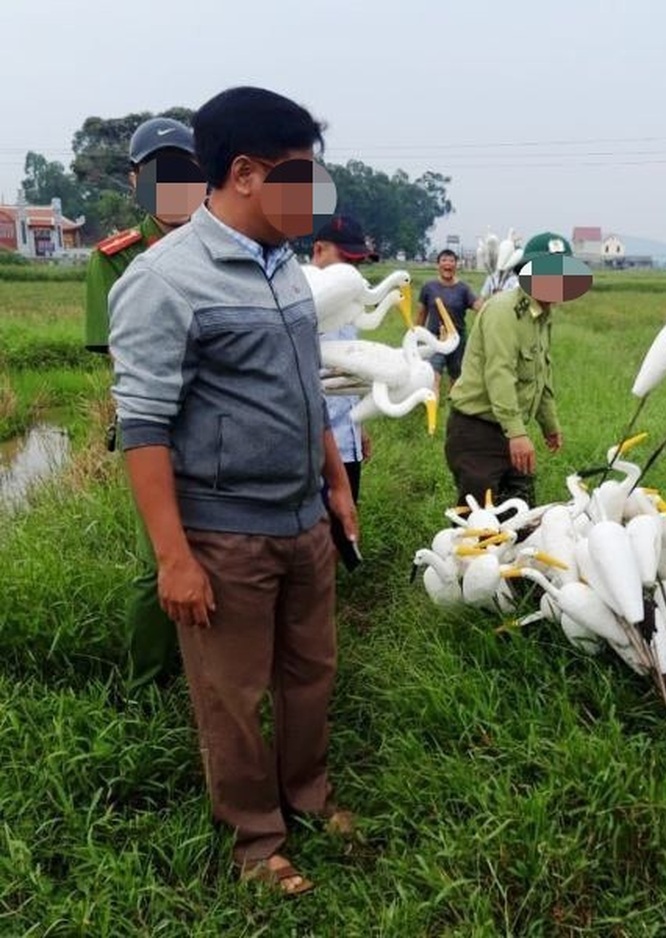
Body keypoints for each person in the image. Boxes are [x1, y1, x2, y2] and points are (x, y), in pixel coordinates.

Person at [109, 86, 358, 895]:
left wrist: (335, 486)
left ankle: (308, 794)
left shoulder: (286, 270)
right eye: (301, 178)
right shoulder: (165, 280)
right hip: (224, 530)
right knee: (232, 692)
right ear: (246, 174)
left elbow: (306, 389)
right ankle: (255, 840)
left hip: (302, 519)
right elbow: (142, 427)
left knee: (310, 669)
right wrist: (173, 557)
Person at [84, 116, 206, 693]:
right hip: (158, 429)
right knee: (158, 556)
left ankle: (214, 671)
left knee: (230, 552)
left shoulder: (229, 244)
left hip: (231, 427)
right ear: (137, 182)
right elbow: (123, 358)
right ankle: (150, 685)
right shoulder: (116, 258)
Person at [444, 232, 574, 508]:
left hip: (509, 429)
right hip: (478, 432)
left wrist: (549, 424)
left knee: (522, 519)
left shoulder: (542, 316)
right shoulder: (504, 311)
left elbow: (540, 376)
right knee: (478, 527)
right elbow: (499, 374)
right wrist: (517, 434)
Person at [311, 214, 375, 567]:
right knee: (314, 532)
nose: (354, 272)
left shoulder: (348, 304)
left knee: (343, 526)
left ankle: (326, 601)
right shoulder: (301, 300)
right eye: (346, 261)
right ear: (318, 250)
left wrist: (359, 425)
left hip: (345, 438)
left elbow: (351, 368)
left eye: (359, 264)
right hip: (314, 442)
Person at [416, 249, 482, 402]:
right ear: (438, 265)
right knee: (434, 376)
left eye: (451, 261)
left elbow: (478, 306)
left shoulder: (463, 289)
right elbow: (421, 314)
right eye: (444, 260)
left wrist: (491, 301)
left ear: (456, 265)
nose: (448, 264)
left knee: (456, 378)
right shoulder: (429, 287)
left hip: (457, 340)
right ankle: (432, 415)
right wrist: (416, 338)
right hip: (435, 339)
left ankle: (454, 408)